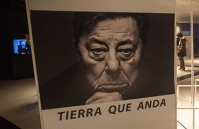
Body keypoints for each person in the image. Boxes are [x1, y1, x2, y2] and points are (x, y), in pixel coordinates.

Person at [39, 12, 174, 110]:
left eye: (126, 50)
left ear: (143, 51)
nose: (113, 66)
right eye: (97, 50)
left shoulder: (166, 82)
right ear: (78, 51)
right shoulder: (50, 99)